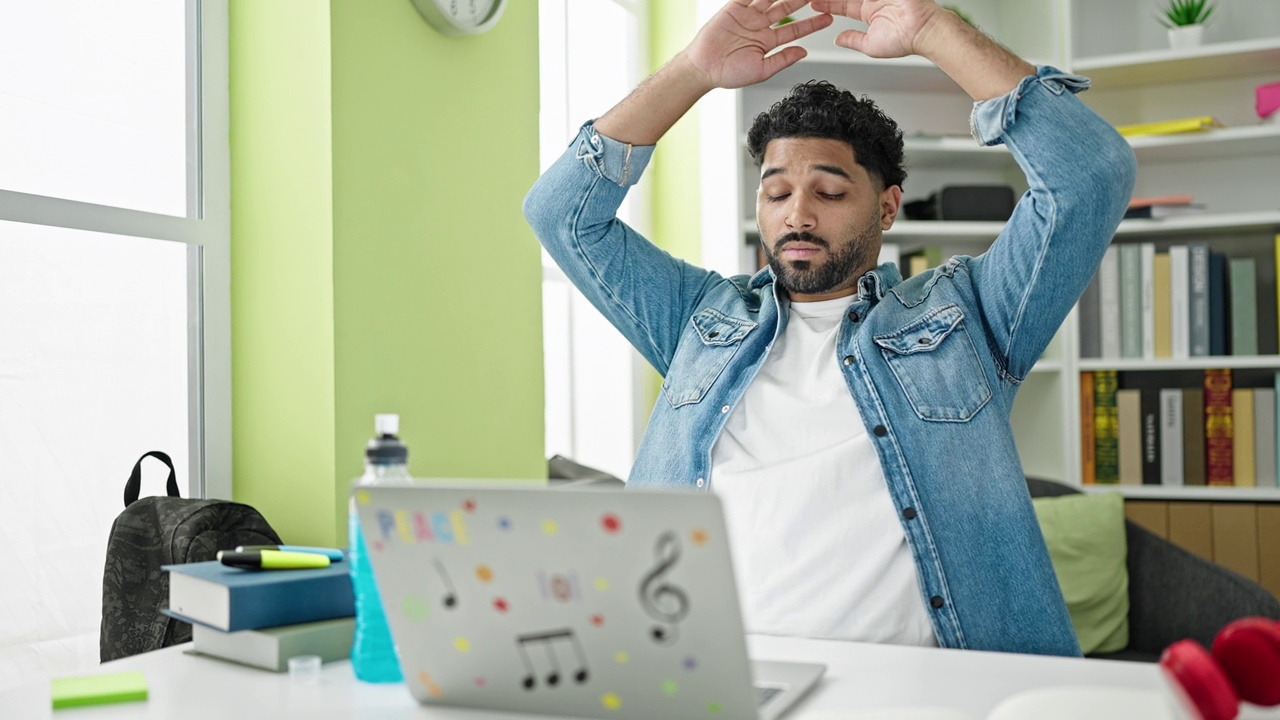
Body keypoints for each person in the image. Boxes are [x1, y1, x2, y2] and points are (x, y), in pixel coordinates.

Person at [524, 0, 1135, 657]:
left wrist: (933, 29)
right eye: (776, 191)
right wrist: (693, 71)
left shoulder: (966, 319)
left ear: (888, 205)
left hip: (917, 692)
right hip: (708, 674)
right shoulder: (698, 320)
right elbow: (561, 214)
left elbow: (1088, 176)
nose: (798, 214)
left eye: (831, 192)